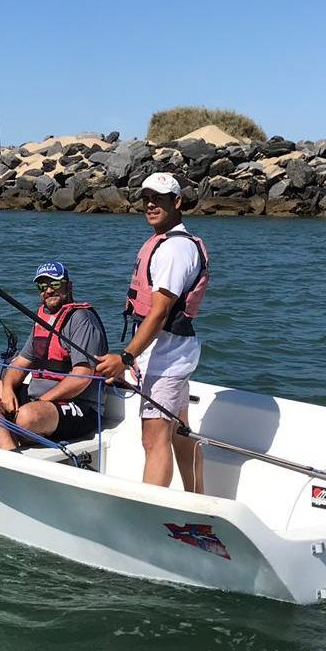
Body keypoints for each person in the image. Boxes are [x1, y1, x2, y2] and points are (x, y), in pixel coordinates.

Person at [96, 172, 209, 493]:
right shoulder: (170, 243)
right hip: (173, 353)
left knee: (154, 438)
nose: (150, 205)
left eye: (158, 199)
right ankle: (196, 499)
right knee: (180, 431)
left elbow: (159, 312)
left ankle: (152, 511)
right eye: (146, 199)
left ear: (177, 202)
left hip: (166, 357)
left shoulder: (174, 250)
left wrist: (124, 357)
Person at [0, 261, 107, 450]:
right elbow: (20, 363)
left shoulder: (81, 320)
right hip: (38, 397)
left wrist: (43, 400)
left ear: (69, 286)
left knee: (26, 417)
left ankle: (9, 447)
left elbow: (81, 378)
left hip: (79, 406)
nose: (49, 290)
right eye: (42, 286)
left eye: (55, 284)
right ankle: (8, 446)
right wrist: (8, 389)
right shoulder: (42, 320)